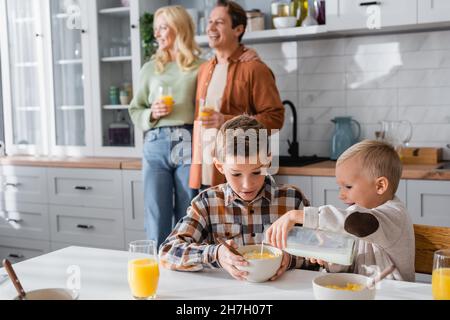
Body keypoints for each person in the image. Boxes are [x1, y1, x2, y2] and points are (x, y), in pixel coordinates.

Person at [129, 6, 261, 246]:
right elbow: (134, 109)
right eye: (156, 28)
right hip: (155, 142)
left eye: (163, 27)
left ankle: (183, 261)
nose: (157, 33)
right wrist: (151, 113)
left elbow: (226, 64)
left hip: (188, 141)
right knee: (156, 214)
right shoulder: (149, 69)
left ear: (179, 28)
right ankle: (157, 269)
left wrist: (246, 53)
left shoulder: (202, 67)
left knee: (188, 211)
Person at [159, 116, 319, 281]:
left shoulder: (292, 201)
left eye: (257, 172)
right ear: (220, 166)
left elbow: (321, 251)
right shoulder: (207, 203)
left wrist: (290, 259)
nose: (247, 184)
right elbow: (167, 252)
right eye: (236, 174)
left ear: (268, 161)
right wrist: (217, 254)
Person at [266, 140, 416, 282]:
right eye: (340, 187)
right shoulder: (359, 217)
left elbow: (357, 222)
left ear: (380, 186)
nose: (341, 195)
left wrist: (298, 215)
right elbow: (349, 266)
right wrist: (329, 258)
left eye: (348, 187)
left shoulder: (393, 216)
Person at [189, 0, 285, 191]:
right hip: (203, 171)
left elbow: (275, 118)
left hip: (239, 176)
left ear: (238, 29)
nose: (211, 27)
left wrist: (224, 120)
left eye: (219, 22)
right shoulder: (204, 69)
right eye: (209, 21)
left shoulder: (255, 69)